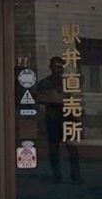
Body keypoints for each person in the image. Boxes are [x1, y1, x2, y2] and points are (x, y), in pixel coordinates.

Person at [33, 56, 79, 184]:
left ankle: (75, 174)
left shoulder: (67, 82)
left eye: (61, 67)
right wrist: (54, 99)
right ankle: (56, 174)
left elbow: (74, 94)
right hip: (53, 117)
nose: (59, 69)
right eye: (56, 66)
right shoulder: (44, 83)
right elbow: (38, 97)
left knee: (72, 147)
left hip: (67, 116)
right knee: (54, 148)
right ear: (51, 67)